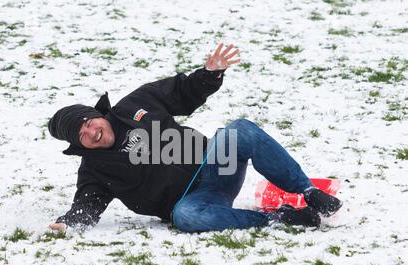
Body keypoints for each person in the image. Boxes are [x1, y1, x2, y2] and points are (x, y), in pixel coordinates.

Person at [48, 43, 342, 233]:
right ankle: (278, 219)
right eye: (80, 134)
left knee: (239, 130)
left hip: (215, 164)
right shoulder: (94, 170)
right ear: (78, 145)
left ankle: (308, 191)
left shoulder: (132, 106)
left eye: (87, 122)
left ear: (96, 114)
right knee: (186, 218)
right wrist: (68, 223)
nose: (90, 131)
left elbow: (181, 93)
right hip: (195, 201)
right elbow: (86, 206)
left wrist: (209, 74)